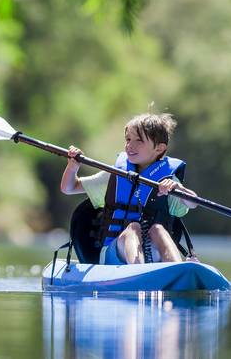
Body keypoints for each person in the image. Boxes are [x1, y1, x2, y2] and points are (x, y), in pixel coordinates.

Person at [58, 112, 198, 264]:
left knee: (158, 229)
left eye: (139, 141)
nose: (130, 145)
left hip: (154, 254)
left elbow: (193, 203)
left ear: (159, 148)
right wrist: (73, 167)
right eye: (128, 139)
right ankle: (137, 271)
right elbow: (69, 187)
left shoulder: (168, 182)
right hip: (114, 254)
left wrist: (178, 188)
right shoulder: (115, 175)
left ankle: (176, 269)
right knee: (133, 227)